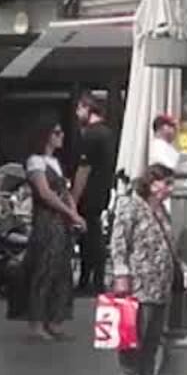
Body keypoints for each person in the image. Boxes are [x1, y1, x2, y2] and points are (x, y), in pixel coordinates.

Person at [107, 163, 179, 375]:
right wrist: (121, 272)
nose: (170, 189)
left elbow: (169, 244)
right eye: (167, 183)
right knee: (134, 333)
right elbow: (119, 240)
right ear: (153, 183)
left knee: (152, 336)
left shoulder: (162, 211)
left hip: (160, 283)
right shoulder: (131, 206)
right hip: (138, 282)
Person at [20, 119, 83, 340]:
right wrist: (70, 213)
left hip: (62, 220)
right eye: (56, 132)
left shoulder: (55, 162)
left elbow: (65, 192)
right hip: (47, 220)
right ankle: (37, 322)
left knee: (61, 269)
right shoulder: (35, 162)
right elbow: (45, 193)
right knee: (45, 268)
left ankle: (55, 319)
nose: (61, 136)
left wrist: (74, 213)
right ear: (45, 135)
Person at [72, 94, 117, 295]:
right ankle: (95, 278)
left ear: (88, 108)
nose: (76, 113)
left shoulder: (90, 135)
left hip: (88, 193)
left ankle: (88, 280)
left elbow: (84, 168)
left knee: (88, 237)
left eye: (79, 108)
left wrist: (74, 198)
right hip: (102, 191)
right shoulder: (108, 134)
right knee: (94, 234)